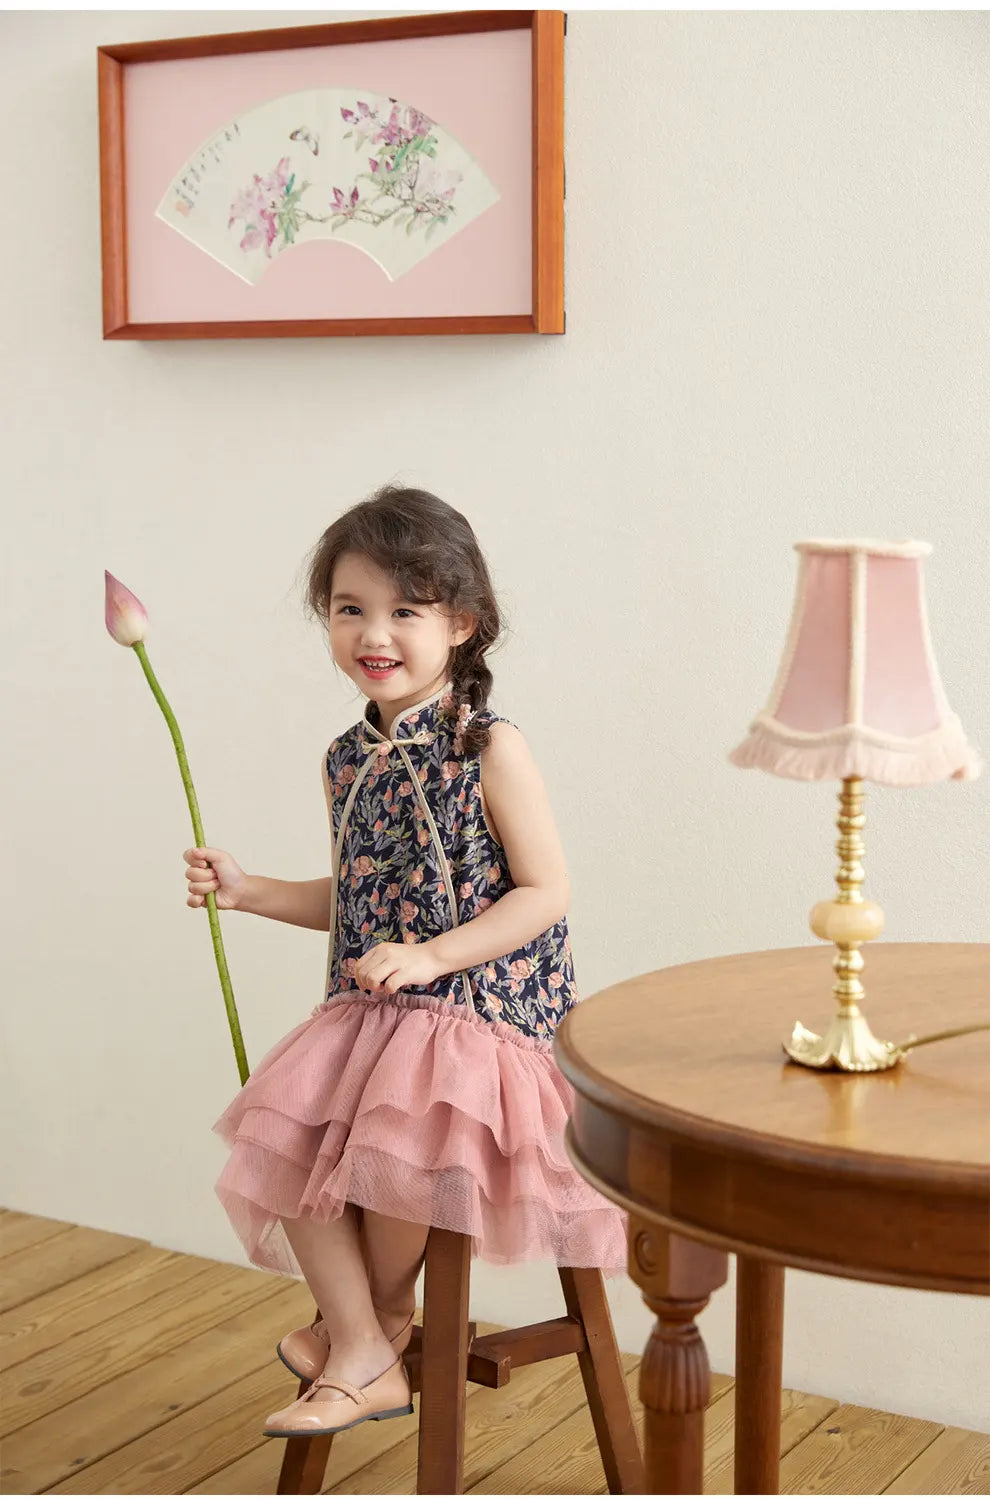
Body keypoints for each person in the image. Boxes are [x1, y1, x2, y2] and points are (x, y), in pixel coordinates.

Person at [182, 484, 626, 1440]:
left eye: (405, 612)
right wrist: (250, 888)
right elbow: (358, 899)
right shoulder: (348, 758)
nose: (373, 633)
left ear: (461, 625)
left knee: (398, 1127)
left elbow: (544, 892)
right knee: (281, 1130)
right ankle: (365, 1339)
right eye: (350, 610)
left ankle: (362, 1338)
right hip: (381, 1011)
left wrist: (432, 955)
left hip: (489, 1016)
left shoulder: (486, 747)